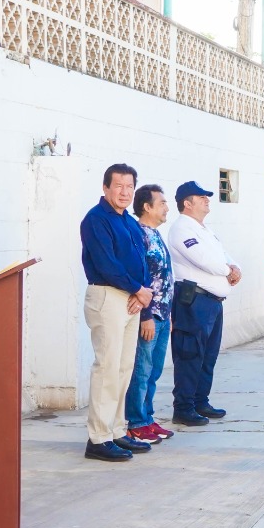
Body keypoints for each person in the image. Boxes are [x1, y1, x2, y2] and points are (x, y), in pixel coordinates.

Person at [79, 164, 154, 461]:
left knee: (124, 368)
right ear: (105, 188)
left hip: (131, 297)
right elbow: (107, 264)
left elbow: (142, 260)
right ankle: (97, 438)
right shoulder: (96, 220)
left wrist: (141, 291)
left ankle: (117, 431)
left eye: (129, 186)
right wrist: (138, 288)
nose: (124, 192)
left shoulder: (129, 221)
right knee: (107, 367)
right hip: (107, 296)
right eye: (118, 185)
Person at [166, 180, 242, 422]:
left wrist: (235, 267)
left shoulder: (204, 229)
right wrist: (228, 271)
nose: (207, 199)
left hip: (212, 302)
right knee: (190, 354)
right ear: (187, 203)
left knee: (208, 355)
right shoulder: (182, 229)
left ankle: (201, 401)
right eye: (201, 197)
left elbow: (222, 254)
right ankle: (184, 407)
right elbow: (204, 260)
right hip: (193, 302)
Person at [122, 184, 175, 444]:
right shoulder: (139, 234)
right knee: (141, 371)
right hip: (149, 316)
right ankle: (135, 422)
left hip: (163, 315)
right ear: (147, 206)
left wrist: (168, 314)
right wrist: (146, 316)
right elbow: (140, 277)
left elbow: (163, 278)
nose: (167, 207)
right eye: (162, 202)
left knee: (153, 371)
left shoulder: (155, 234)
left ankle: (147, 417)